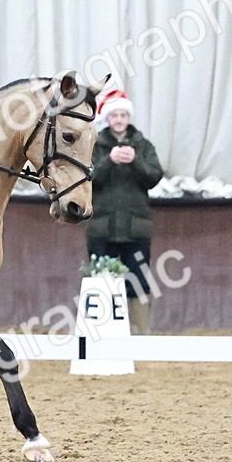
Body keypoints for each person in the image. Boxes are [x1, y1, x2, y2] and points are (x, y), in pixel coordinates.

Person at [86, 88, 163, 333]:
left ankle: (140, 335)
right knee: (102, 282)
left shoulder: (143, 146)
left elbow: (154, 177)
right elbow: (88, 179)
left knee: (138, 283)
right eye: (114, 115)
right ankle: (103, 332)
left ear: (128, 118)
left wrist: (136, 161)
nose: (119, 120)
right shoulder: (94, 145)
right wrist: (109, 160)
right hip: (102, 229)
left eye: (123, 115)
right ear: (107, 119)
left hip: (136, 230)